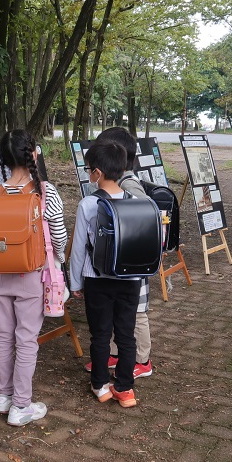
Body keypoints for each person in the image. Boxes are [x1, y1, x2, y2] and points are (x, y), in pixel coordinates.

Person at [0, 129, 67, 426]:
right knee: (26, 339)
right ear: (33, 153)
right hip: (32, 275)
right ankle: (21, 406)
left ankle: (4, 396)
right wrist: (58, 261)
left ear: (4, 160)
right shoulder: (46, 192)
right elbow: (58, 237)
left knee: (3, 336)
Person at [68, 141, 141, 408]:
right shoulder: (136, 201)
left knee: (100, 334)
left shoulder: (88, 204)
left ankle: (100, 385)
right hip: (130, 280)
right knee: (126, 334)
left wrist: (75, 282)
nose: (89, 174)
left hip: (97, 279)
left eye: (89, 170)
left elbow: (78, 249)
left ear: (97, 172)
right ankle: (125, 388)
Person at [81, 127, 155, 379]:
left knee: (136, 316)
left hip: (130, 267)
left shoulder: (130, 187)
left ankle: (142, 360)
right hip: (118, 267)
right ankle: (114, 358)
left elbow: (144, 221)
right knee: (120, 322)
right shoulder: (115, 186)